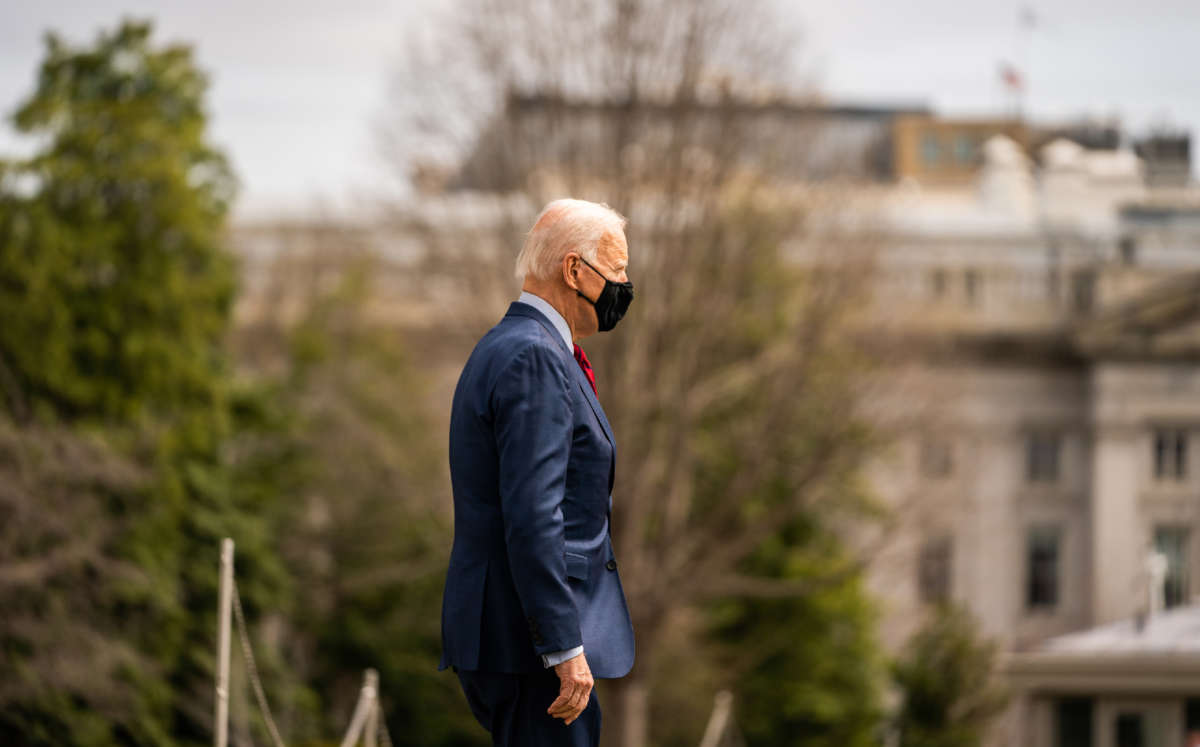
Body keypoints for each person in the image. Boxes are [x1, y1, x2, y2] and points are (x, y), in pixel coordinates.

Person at [439, 198, 636, 746]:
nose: (625, 286)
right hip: (533, 650)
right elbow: (533, 515)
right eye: (617, 272)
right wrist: (564, 648)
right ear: (575, 270)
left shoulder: (512, 344)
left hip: (514, 639)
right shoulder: (535, 357)